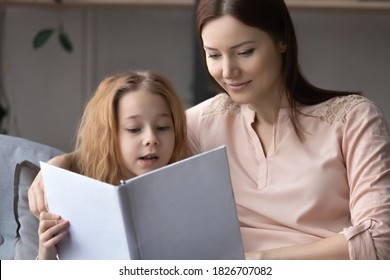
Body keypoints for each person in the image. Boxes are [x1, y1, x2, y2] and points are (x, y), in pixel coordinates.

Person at [29, 0, 390, 259]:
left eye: (244, 51)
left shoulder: (353, 120)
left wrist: (262, 263)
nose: (228, 71)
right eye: (213, 55)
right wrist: (60, 165)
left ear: (282, 40)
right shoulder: (203, 121)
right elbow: (130, 145)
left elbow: (380, 239)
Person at [36, 70, 190, 259]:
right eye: (134, 129)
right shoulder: (74, 194)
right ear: (108, 136)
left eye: (162, 127)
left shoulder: (190, 188)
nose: (151, 138)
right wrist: (46, 254)